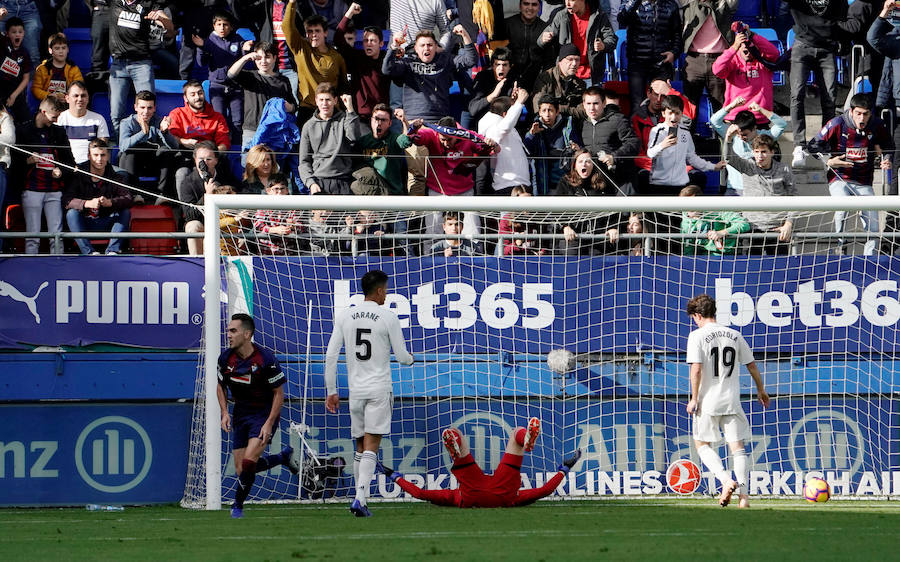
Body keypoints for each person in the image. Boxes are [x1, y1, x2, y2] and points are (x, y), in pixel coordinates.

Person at [324, 269, 416, 517]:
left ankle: (359, 497)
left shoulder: (345, 316)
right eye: (385, 289)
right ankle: (360, 499)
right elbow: (403, 357)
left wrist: (331, 390)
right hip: (378, 389)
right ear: (379, 290)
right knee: (371, 448)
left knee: (359, 447)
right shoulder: (387, 316)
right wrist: (411, 360)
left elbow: (331, 355)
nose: (386, 294)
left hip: (355, 392)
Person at [380, 417, 583, 508]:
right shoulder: (515, 499)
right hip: (504, 493)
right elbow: (545, 491)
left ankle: (455, 448)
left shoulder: (454, 497)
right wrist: (565, 468)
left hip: (471, 495)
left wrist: (392, 475)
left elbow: (420, 493)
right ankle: (526, 439)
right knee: (515, 434)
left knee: (456, 434)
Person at [685, 293, 770, 508]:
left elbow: (696, 369)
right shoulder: (734, 335)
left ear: (697, 316)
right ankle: (744, 498)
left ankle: (725, 480)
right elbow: (751, 365)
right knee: (737, 447)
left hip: (708, 401)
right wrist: (761, 390)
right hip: (731, 399)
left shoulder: (696, 336)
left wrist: (694, 398)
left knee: (701, 444)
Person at [218, 312, 300, 518]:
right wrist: (224, 412)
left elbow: (279, 394)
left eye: (233, 331)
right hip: (240, 413)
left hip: (263, 414)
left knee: (248, 462)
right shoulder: (225, 358)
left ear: (247, 334)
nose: (228, 334)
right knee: (241, 469)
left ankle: (237, 506)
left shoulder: (266, 360)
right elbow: (220, 386)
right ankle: (282, 458)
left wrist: (269, 423)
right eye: (228, 330)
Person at [807, 94, 893, 256]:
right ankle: (841, 246)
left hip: (864, 181)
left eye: (866, 114)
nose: (862, 118)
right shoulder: (837, 123)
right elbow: (813, 144)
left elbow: (889, 144)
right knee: (842, 206)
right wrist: (828, 160)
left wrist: (886, 159)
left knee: (873, 223)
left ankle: (870, 258)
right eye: (858, 113)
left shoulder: (876, 124)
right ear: (851, 111)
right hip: (839, 177)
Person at [785, 0, 847, 167]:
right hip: (802, 45)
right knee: (796, 95)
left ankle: (823, 143)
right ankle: (799, 145)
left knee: (830, 99)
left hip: (827, 48)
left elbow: (843, 18)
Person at [16, 95, 74, 255]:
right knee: (32, 235)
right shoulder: (23, 131)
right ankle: (30, 270)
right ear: (43, 111)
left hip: (54, 190)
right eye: (53, 117)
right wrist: (27, 161)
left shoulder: (59, 132)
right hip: (32, 189)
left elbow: (70, 162)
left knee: (56, 235)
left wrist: (61, 171)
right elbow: (13, 163)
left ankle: (58, 267)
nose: (55, 121)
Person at [553, 148, 637, 255]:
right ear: (574, 165)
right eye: (580, 161)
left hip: (599, 237)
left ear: (593, 165)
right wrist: (565, 226)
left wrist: (613, 227)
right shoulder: (565, 182)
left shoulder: (603, 183)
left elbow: (614, 209)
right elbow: (556, 209)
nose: (584, 164)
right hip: (573, 236)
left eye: (588, 161)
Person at [107, 1, 174, 134]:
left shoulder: (148, 3)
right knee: (116, 113)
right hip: (118, 64)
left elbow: (170, 30)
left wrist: (160, 18)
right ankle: (123, 147)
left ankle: (147, 144)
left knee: (147, 110)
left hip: (141, 64)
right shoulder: (115, 2)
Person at [725, 133, 796, 255]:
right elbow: (728, 158)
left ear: (772, 152)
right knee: (750, 269)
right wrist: (728, 139)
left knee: (779, 269)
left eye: (763, 152)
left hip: (777, 229)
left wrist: (788, 223)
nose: (760, 156)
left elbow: (794, 197)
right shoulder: (747, 166)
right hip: (752, 228)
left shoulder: (784, 169)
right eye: (756, 151)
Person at [62, 139, 134, 256]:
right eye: (95, 155)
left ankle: (112, 251)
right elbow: (66, 200)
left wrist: (111, 202)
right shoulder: (78, 174)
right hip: (85, 221)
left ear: (108, 156)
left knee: (125, 212)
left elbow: (128, 197)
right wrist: (86, 203)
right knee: (71, 214)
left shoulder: (116, 176)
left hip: (107, 220)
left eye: (103, 155)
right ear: (89, 156)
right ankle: (89, 252)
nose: (99, 159)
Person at [226, 40, 296, 155]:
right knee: (249, 167)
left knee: (274, 168)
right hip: (252, 130)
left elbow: (293, 107)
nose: (263, 61)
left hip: (275, 132)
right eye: (259, 58)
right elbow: (231, 75)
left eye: (267, 57)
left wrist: (287, 106)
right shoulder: (250, 76)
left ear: (274, 58)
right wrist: (245, 58)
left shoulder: (283, 81)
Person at [645, 95, 725, 195]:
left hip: (680, 184)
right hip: (660, 183)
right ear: (663, 113)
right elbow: (650, 153)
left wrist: (713, 166)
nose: (673, 117)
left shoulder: (685, 132)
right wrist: (662, 145)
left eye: (677, 113)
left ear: (682, 114)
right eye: (670, 113)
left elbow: (691, 157)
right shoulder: (658, 130)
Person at [193, 11, 252, 143]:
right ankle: (221, 148)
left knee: (237, 121)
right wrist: (201, 48)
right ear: (214, 26)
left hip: (236, 86)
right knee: (220, 119)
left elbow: (245, 55)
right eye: (219, 24)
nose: (222, 27)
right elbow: (201, 62)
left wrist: (247, 48)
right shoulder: (209, 41)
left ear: (231, 26)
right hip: (217, 86)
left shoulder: (237, 39)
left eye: (225, 24)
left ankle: (237, 150)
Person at [710, 97, 787, 196]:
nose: (741, 137)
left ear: (754, 128)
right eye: (739, 134)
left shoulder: (765, 137)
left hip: (759, 189)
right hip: (734, 189)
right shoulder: (733, 136)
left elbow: (782, 125)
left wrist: (761, 110)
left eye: (745, 134)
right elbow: (714, 121)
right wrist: (732, 106)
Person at [282, 8, 348, 123]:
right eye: (310, 31)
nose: (313, 35)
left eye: (317, 31)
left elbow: (343, 86)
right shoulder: (300, 48)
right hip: (307, 109)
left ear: (325, 32)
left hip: (330, 110)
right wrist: (292, 3)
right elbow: (286, 27)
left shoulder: (336, 57)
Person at [167, 79, 232, 194]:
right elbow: (171, 137)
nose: (197, 97)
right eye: (193, 94)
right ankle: (186, 209)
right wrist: (183, 141)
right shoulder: (177, 114)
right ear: (185, 98)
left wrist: (212, 153)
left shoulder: (217, 117)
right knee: (181, 173)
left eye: (200, 93)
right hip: (186, 154)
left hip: (210, 157)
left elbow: (224, 143)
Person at [617, 0, 682, 114]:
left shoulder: (671, 5)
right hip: (637, 62)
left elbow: (677, 33)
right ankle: (638, 130)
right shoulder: (632, 3)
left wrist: (674, 53)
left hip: (661, 62)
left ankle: (662, 131)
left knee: (662, 102)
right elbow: (622, 19)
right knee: (638, 103)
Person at [298, 83, 362, 195]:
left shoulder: (344, 119)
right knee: (320, 213)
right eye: (321, 100)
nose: (324, 104)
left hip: (343, 180)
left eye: (328, 99)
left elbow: (354, 136)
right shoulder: (308, 126)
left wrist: (350, 109)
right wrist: (311, 183)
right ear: (316, 101)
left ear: (335, 100)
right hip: (319, 181)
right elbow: (304, 161)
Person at [712, 24, 780, 127]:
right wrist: (734, 47)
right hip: (735, 118)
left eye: (749, 45)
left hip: (760, 117)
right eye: (742, 45)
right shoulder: (733, 61)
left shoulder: (763, 61)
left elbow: (774, 54)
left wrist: (752, 35)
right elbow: (717, 70)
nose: (746, 49)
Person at [180, 141, 240, 256]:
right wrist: (207, 196)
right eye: (201, 159)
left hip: (224, 224)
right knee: (192, 226)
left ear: (216, 160)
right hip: (202, 225)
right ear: (195, 160)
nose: (204, 163)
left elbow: (239, 197)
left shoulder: (226, 177)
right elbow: (189, 215)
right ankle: (197, 262)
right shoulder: (187, 182)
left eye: (209, 159)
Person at [537, 0, 617, 85]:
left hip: (591, 76)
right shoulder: (561, 15)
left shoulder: (599, 16)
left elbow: (611, 39)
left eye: (571, 0)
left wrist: (603, 45)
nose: (567, 4)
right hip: (566, 75)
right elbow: (541, 40)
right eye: (566, 0)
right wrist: (543, 39)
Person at [117, 90, 178, 199]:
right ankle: (135, 195)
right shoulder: (126, 122)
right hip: (132, 163)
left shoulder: (158, 121)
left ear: (154, 108)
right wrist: (142, 133)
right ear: (135, 107)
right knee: (129, 154)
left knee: (166, 152)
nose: (146, 112)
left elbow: (174, 147)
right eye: (142, 107)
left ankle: (162, 195)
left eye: (149, 108)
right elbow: (123, 147)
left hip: (152, 162)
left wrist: (165, 132)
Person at [577, 87, 640, 190]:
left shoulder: (618, 120)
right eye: (588, 104)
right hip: (596, 181)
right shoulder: (581, 124)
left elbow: (634, 144)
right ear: (583, 105)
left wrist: (614, 157)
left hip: (621, 180)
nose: (592, 108)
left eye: (596, 103)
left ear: (604, 103)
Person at [681, 0, 737, 114]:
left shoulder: (724, 3)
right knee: (688, 109)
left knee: (721, 109)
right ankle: (686, 132)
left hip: (719, 60)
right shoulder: (689, 3)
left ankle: (721, 133)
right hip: (693, 60)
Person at [334, 3, 388, 121]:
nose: (368, 43)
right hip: (362, 116)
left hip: (383, 115)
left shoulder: (386, 60)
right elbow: (338, 38)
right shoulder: (356, 57)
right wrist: (349, 14)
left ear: (381, 44)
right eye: (365, 40)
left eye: (372, 40)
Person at [477, 87, 531, 196]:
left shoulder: (500, 123)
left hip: (519, 182)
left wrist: (515, 102)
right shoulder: (493, 127)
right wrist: (519, 104)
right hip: (508, 185)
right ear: (505, 115)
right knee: (509, 214)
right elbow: (505, 127)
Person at [524, 95, 580, 196]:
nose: (547, 114)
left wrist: (576, 148)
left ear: (557, 111)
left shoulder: (568, 126)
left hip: (565, 182)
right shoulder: (535, 127)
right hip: (542, 183)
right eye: (544, 110)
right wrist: (531, 135)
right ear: (539, 112)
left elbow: (577, 147)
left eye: (550, 110)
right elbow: (527, 151)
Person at [496, 0, 551, 92]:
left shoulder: (545, 28)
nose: (530, 8)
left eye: (534, 5)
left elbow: (549, 59)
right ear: (520, 6)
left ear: (539, 7)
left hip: (535, 80)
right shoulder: (508, 24)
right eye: (526, 4)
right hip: (508, 77)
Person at [678, 184, 749, 255]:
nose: (689, 209)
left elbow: (744, 224)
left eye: (692, 205)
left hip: (727, 255)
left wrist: (722, 232)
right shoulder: (685, 220)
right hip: (704, 255)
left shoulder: (717, 209)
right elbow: (687, 247)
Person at [55, 81, 110, 165]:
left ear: (88, 98)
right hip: (66, 166)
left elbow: (101, 150)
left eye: (83, 95)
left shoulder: (98, 119)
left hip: (90, 168)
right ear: (67, 98)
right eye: (76, 96)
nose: (80, 99)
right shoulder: (59, 119)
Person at [252, 173, 303, 254]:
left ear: (287, 190)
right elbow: (257, 226)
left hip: (290, 254)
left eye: (282, 189)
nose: (279, 192)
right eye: (276, 189)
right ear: (268, 191)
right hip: (266, 253)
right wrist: (274, 230)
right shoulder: (263, 207)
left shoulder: (294, 208)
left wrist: (293, 226)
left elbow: (301, 227)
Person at [531, 44, 586, 117]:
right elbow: (539, 107)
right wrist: (568, 109)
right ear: (560, 61)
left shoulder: (580, 84)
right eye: (570, 59)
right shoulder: (546, 78)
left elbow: (583, 111)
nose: (574, 64)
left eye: (577, 60)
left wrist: (557, 108)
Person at [468, 47, 517, 127]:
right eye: (498, 65)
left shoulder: (513, 80)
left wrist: (514, 102)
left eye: (505, 65)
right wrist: (493, 95)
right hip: (483, 123)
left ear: (510, 66)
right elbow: (473, 110)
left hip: (503, 124)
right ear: (492, 65)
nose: (501, 69)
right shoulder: (482, 77)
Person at [31, 32, 84, 102]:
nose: (61, 51)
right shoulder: (42, 69)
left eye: (63, 48)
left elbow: (79, 88)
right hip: (48, 103)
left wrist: (67, 97)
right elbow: (35, 89)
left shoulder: (74, 69)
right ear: (50, 50)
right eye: (57, 48)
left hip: (67, 104)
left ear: (68, 49)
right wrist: (50, 96)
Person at [0, 17, 32, 124]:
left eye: (20, 32)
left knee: (26, 121)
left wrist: (14, 96)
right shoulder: (3, 44)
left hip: (15, 90)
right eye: (14, 32)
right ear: (7, 34)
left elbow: (26, 78)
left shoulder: (25, 53)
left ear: (24, 33)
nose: (17, 34)